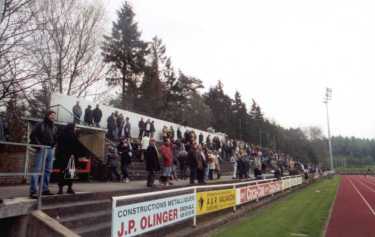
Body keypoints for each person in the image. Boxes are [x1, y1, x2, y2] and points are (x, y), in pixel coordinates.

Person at [29, 111, 57, 198]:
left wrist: (54, 144)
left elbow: (55, 137)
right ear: (47, 115)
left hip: (50, 149)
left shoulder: (54, 127)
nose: (53, 117)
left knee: (48, 170)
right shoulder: (40, 124)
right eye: (52, 115)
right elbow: (32, 135)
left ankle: (45, 189)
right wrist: (39, 145)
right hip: (42, 148)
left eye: (54, 116)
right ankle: (33, 191)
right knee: (37, 169)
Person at [55, 123, 79, 194]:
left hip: (64, 156)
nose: (76, 128)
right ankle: (69, 188)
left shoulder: (63, 134)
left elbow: (59, 145)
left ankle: (61, 189)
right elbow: (76, 147)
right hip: (69, 156)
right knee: (70, 172)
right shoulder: (73, 136)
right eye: (75, 127)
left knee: (62, 172)